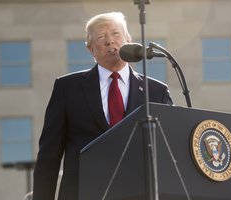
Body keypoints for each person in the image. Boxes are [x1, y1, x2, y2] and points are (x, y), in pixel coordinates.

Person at [32, 11, 173, 200]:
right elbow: (49, 155)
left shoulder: (156, 91)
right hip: (82, 193)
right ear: (91, 49)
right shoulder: (67, 88)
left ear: (128, 40)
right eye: (101, 37)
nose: (110, 41)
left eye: (116, 34)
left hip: (139, 193)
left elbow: (169, 154)